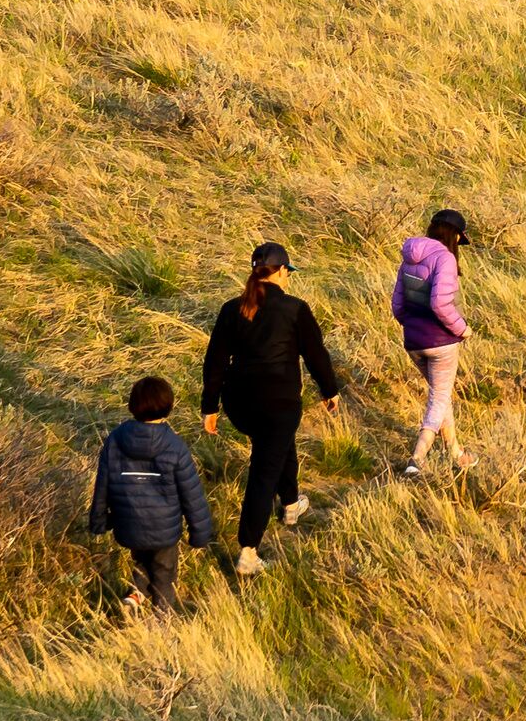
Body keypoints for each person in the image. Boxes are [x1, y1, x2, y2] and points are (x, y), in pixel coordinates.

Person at [201, 240, 341, 579]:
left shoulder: (232, 308)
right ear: (279, 272)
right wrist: (330, 391)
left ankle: (291, 504)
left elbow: (215, 361)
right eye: (287, 272)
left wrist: (211, 407)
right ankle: (248, 552)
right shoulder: (295, 308)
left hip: (239, 403)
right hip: (278, 403)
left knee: (276, 446)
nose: (288, 278)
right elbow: (316, 355)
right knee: (264, 470)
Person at [85, 375, 212, 613]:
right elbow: (192, 495)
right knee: (164, 573)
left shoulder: (115, 441)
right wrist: (200, 535)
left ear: (133, 405)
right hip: (164, 530)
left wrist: (99, 522)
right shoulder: (175, 446)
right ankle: (161, 623)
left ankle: (133, 598)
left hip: (128, 524)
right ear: (169, 406)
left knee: (142, 559)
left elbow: (102, 485)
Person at [392, 209, 472, 475]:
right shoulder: (445, 259)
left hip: (413, 340)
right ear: (455, 235)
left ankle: (457, 454)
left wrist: (412, 326)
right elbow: (440, 303)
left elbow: (397, 305)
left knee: (441, 394)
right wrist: (462, 329)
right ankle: (418, 458)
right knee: (439, 397)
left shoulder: (409, 257)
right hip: (442, 342)